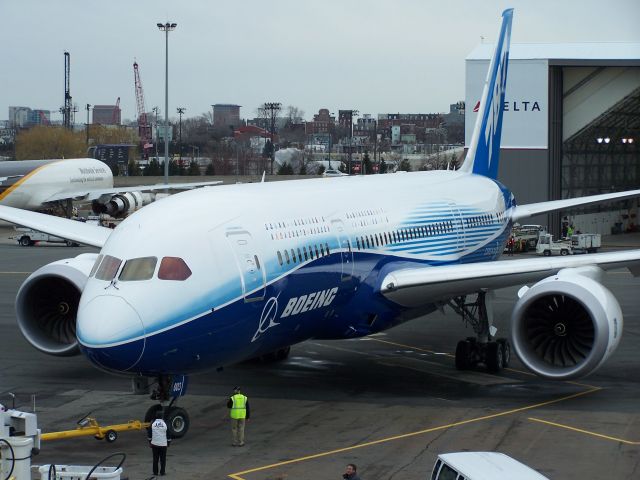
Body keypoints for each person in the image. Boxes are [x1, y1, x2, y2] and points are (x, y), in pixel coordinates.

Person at [147, 410, 170, 476]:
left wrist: (150, 442)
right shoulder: (165, 423)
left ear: (156, 416)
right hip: (163, 445)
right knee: (163, 459)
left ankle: (155, 472)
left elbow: (149, 434)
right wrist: (168, 443)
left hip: (154, 444)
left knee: (155, 459)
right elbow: (168, 434)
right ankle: (162, 472)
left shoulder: (152, 424)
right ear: (162, 416)